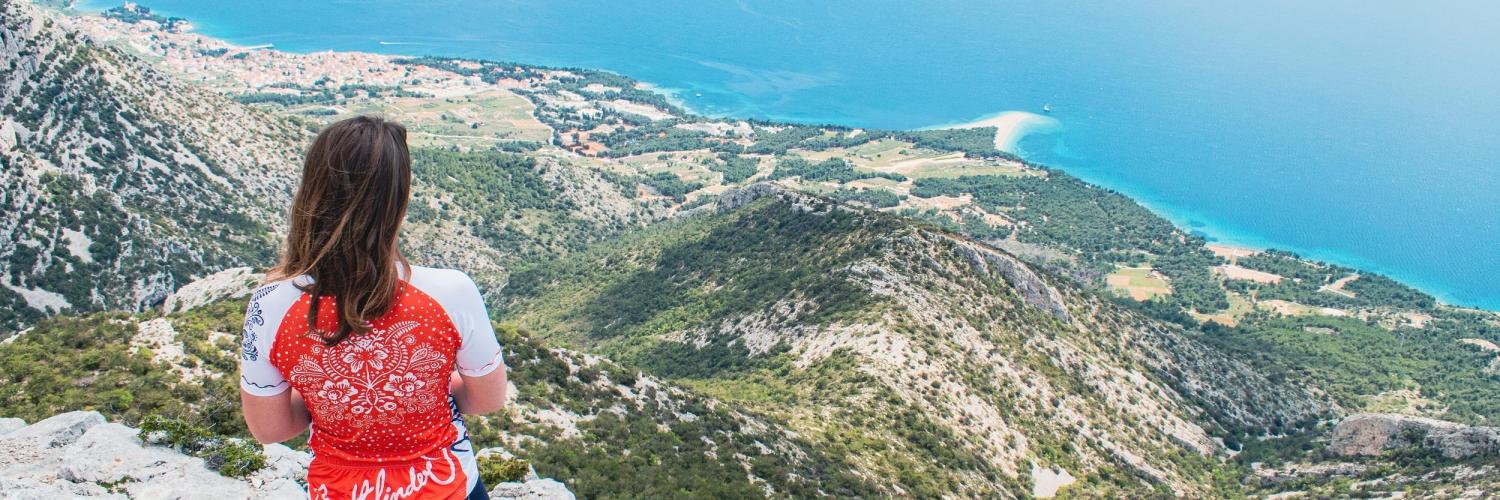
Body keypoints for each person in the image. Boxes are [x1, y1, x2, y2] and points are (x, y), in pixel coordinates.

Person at [239, 116, 508, 500]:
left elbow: (271, 429)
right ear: (397, 201)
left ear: (310, 193)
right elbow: (487, 398)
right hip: (447, 487)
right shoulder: (452, 291)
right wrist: (414, 387)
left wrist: (334, 393)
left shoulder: (269, 305)